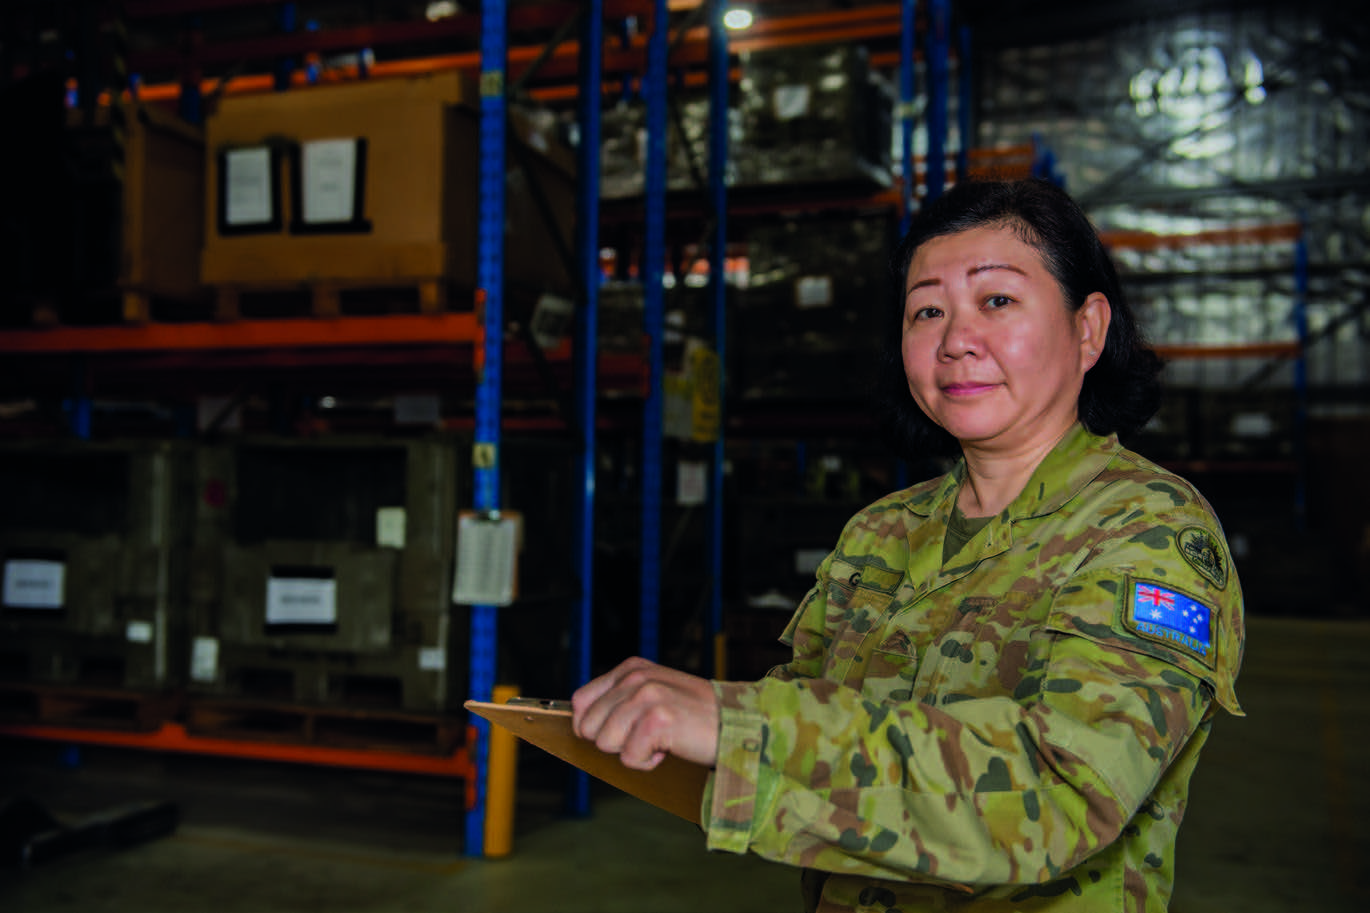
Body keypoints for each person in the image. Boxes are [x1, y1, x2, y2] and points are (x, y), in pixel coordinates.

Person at [572, 178, 1245, 912]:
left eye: (997, 300)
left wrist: (739, 726)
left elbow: (1062, 792)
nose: (956, 339)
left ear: (1087, 329)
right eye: (928, 309)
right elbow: (811, 719)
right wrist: (674, 725)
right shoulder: (881, 532)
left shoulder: (1150, 531)